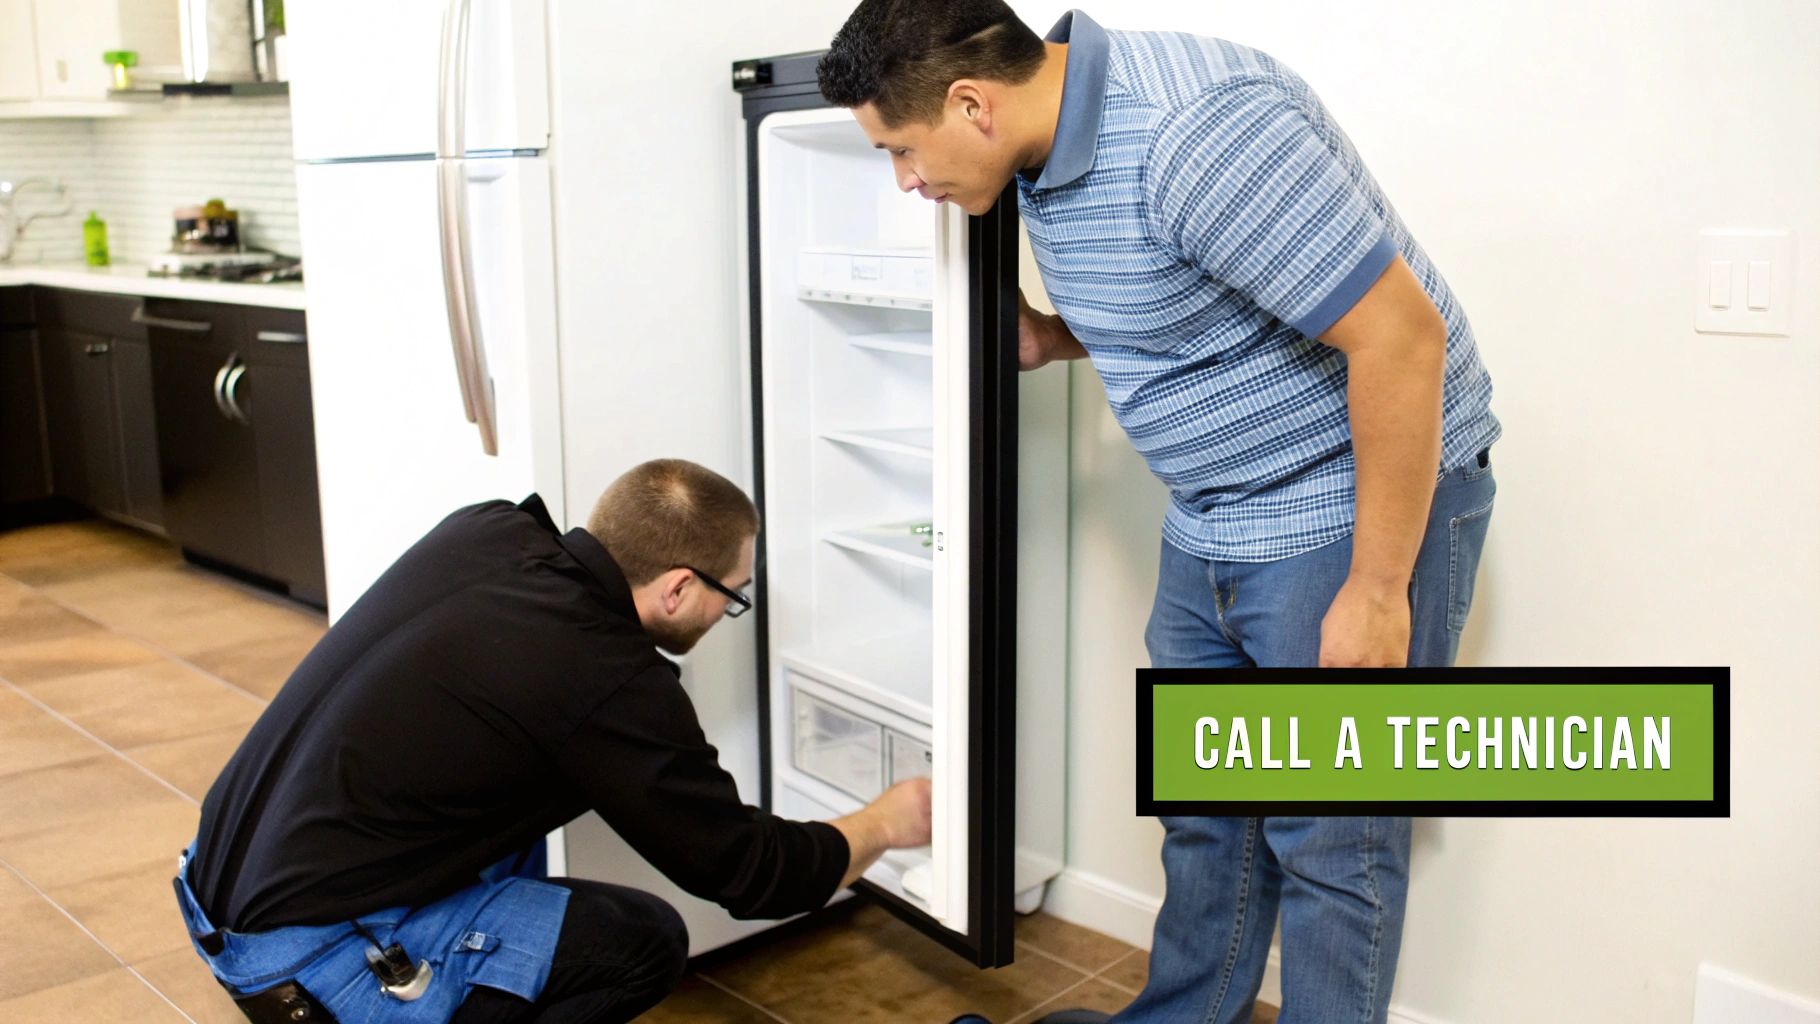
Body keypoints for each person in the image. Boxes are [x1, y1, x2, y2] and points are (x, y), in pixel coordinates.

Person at [818, 3, 1500, 1023]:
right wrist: (1051, 336)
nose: (905, 179)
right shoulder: (1038, 151)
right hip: (1214, 512)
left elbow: (1400, 340)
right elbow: (1203, 287)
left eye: (903, 151)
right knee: (1204, 810)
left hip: (1340, 508)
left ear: (971, 104)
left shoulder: (1196, 132)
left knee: (1330, 839)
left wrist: (1374, 585)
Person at [172, 458, 931, 1024]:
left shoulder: (489, 529)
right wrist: (885, 823)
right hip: (307, 962)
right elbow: (749, 873)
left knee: (517, 836)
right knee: (641, 942)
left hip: (216, 884)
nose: (726, 608)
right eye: (730, 594)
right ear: (677, 588)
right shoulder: (607, 678)